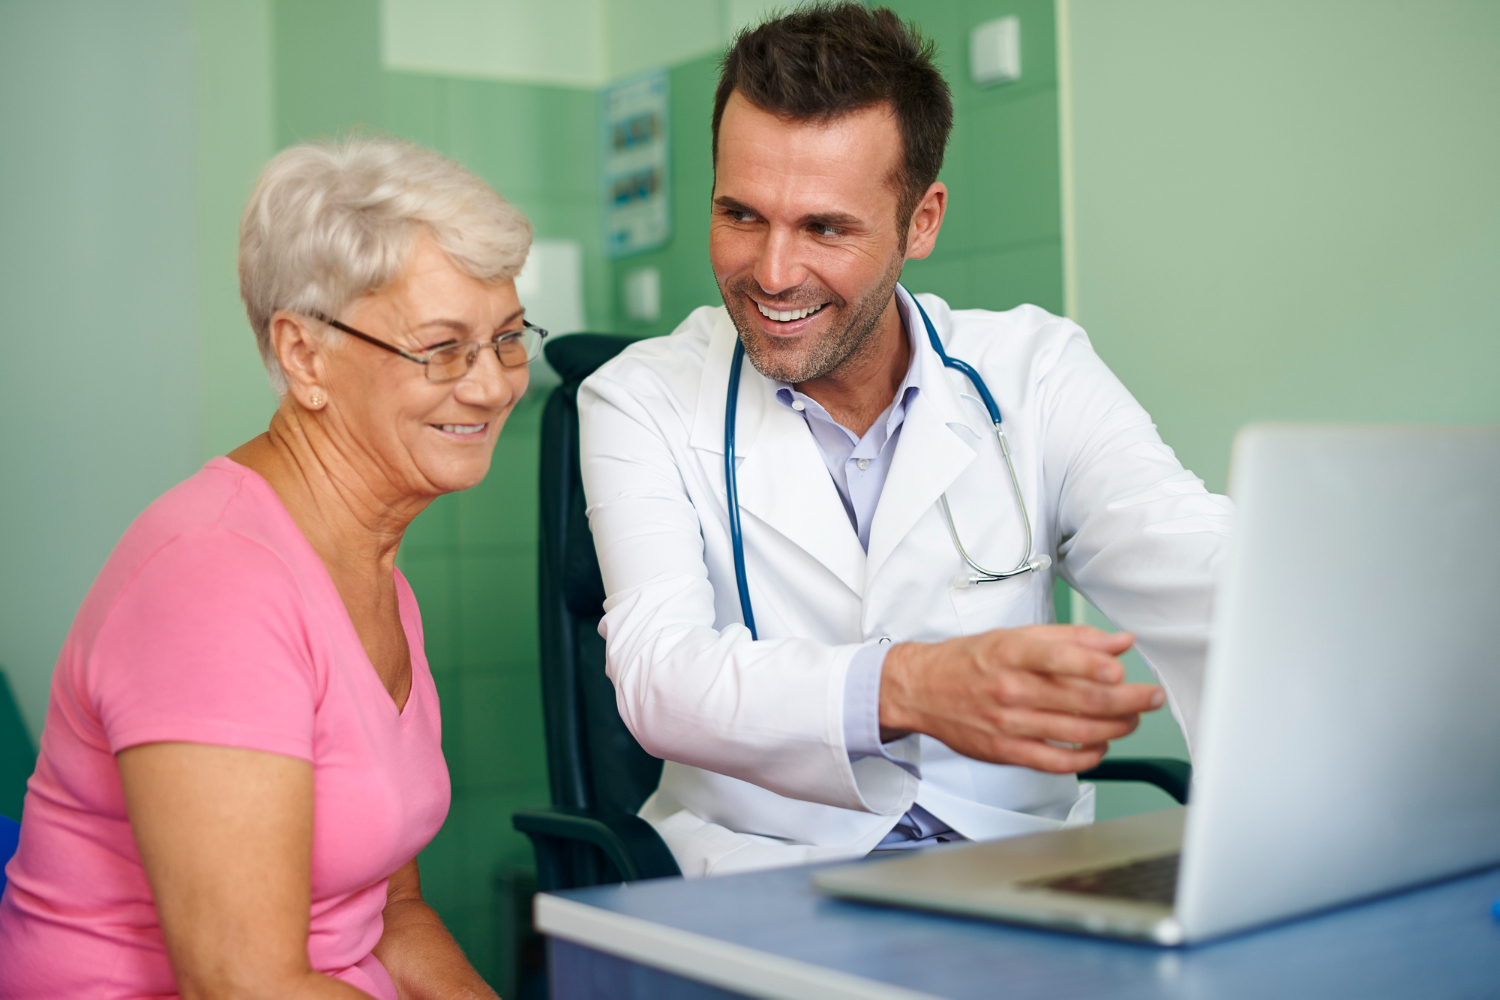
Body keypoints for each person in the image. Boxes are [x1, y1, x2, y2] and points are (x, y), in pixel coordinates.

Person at [578, 3, 1234, 877]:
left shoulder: (1036, 373)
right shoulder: (638, 397)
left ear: (921, 222)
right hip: (765, 875)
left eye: (824, 227)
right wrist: (913, 686)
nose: (772, 273)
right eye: (741, 215)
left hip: (1017, 875)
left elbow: (1197, 568)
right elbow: (661, 676)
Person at [0, 137, 540, 998]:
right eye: (441, 348)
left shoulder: (370, 569)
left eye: (507, 340)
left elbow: (389, 909)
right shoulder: (213, 580)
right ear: (304, 355)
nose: (490, 386)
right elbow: (242, 985)